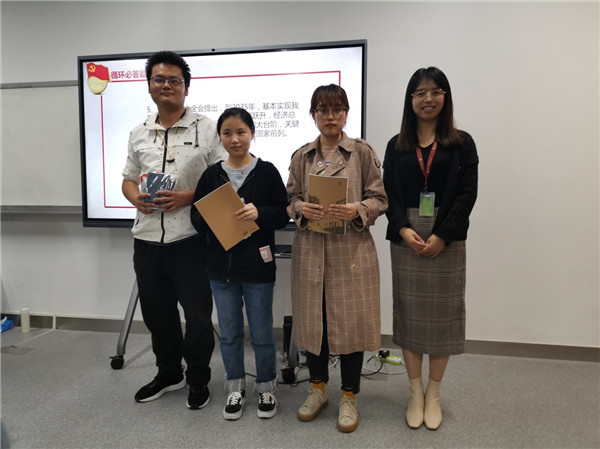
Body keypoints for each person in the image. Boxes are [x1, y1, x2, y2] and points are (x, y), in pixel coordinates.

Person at [121, 50, 226, 409]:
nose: (166, 85)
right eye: (159, 79)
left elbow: (224, 180)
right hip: (147, 238)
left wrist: (186, 197)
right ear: (149, 85)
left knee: (197, 316)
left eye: (174, 80)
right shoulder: (139, 132)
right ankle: (168, 372)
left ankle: (198, 377)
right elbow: (128, 178)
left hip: (191, 239)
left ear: (186, 87)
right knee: (157, 314)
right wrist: (135, 198)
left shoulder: (207, 128)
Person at [286, 84, 388, 433]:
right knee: (314, 322)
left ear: (346, 113)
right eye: (323, 110)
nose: (330, 116)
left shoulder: (361, 152)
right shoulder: (301, 156)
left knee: (350, 324)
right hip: (311, 249)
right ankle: (317, 390)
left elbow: (380, 198)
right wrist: (301, 208)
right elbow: (291, 199)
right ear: (313, 114)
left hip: (351, 250)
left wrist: (357, 209)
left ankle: (348, 395)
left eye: (337, 110)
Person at [382, 67, 478, 430]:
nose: (428, 98)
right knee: (409, 314)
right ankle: (415, 392)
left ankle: (433, 392)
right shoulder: (396, 145)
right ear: (410, 100)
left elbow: (467, 194)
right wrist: (403, 228)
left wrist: (442, 235)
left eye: (435, 91)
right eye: (420, 92)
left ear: (445, 97)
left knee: (442, 318)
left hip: (446, 239)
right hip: (407, 238)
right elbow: (388, 193)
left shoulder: (462, 143)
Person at [191, 108, 289, 420]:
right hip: (221, 271)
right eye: (227, 133)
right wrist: (215, 219)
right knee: (230, 334)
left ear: (252, 134)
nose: (234, 139)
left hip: (258, 268)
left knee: (261, 334)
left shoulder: (267, 172)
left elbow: (283, 213)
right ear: (220, 137)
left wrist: (260, 213)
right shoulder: (212, 175)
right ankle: (235, 386)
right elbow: (196, 217)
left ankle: (266, 386)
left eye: (241, 132)